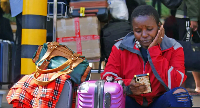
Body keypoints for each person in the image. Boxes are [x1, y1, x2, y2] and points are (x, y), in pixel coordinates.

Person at [101, 5, 192, 107]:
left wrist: (154, 52)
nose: (144, 35)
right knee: (108, 96)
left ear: (159, 26)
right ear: (133, 30)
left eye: (149, 29)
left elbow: (176, 83)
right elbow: (107, 78)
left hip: (159, 101)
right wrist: (127, 86)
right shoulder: (120, 47)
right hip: (131, 101)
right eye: (138, 31)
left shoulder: (174, 47)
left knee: (181, 95)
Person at [175, 0, 200, 95]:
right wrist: (193, 17)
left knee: (193, 49)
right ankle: (183, 87)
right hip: (188, 15)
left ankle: (196, 86)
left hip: (191, 14)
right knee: (186, 50)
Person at [9, 0, 22, 84]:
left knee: (21, 43)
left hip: (21, 7)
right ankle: (18, 79)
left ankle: (17, 79)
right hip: (26, 7)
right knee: (23, 44)